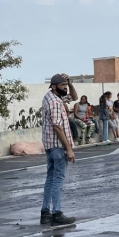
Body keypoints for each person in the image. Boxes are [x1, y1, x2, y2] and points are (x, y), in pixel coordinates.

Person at [40, 74, 77, 225]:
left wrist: (71, 83)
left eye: (66, 85)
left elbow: (74, 96)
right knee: (58, 180)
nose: (66, 88)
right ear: (54, 86)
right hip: (58, 146)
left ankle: (45, 212)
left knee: (50, 178)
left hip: (49, 145)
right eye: (63, 86)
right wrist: (68, 148)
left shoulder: (51, 96)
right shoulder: (55, 102)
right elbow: (57, 127)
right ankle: (57, 213)